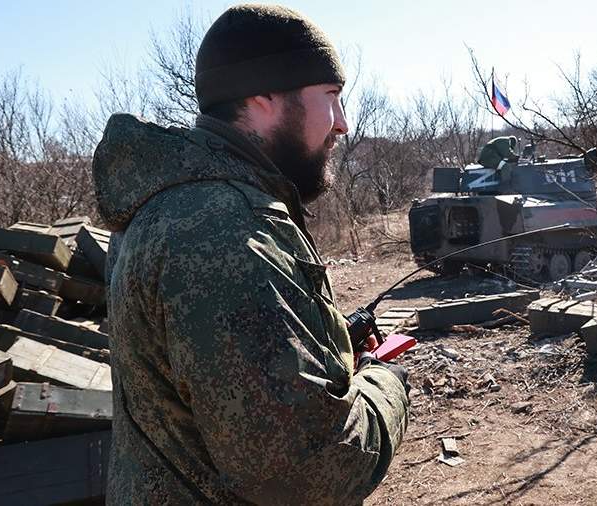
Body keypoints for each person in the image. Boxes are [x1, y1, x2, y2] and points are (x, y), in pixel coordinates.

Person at [92, 4, 409, 504]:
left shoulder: (172, 204)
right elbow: (309, 471)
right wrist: (384, 386)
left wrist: (322, 346)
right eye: (331, 97)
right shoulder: (227, 230)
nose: (343, 124)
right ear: (264, 97)